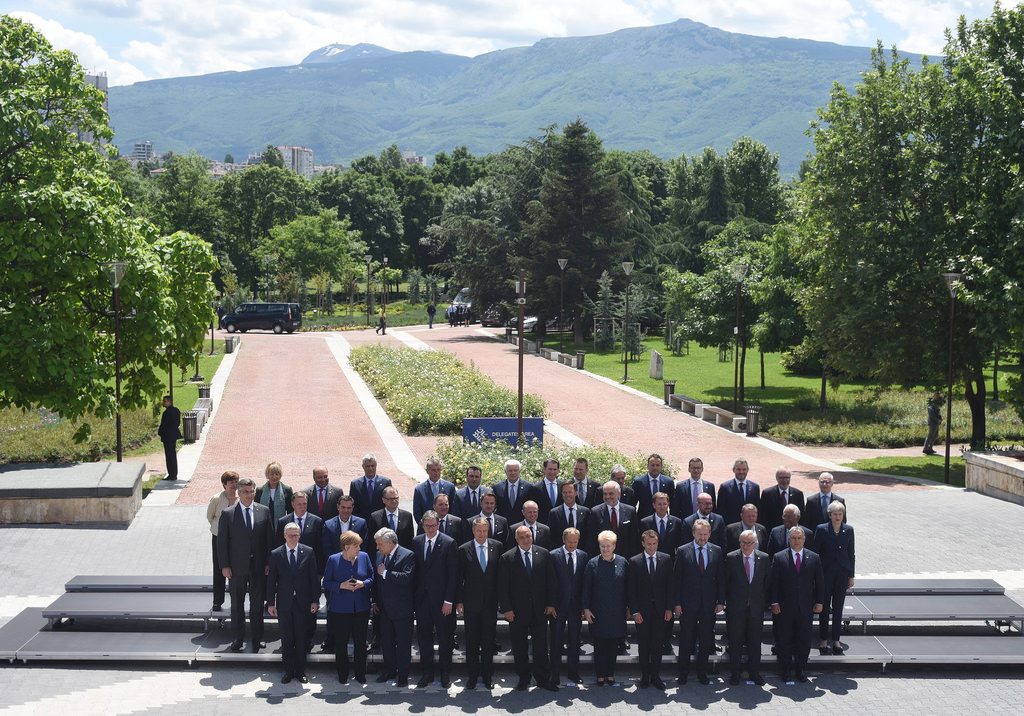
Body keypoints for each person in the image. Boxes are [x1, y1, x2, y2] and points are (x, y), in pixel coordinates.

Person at [497, 525, 559, 692]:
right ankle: (523, 678)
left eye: (528, 536)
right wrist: (507, 609)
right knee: (520, 647)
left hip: (540, 610)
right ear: (516, 539)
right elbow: (503, 587)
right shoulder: (507, 557)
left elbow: (551, 581)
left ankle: (543, 679)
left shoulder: (544, 554)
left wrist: (551, 603)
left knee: (541, 647)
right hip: (517, 612)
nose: (526, 540)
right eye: (522, 537)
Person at [217, 477, 274, 652]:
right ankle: (238, 638)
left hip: (258, 567)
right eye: (245, 492)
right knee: (237, 605)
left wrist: (268, 562)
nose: (249, 495)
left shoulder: (264, 511)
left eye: (252, 491)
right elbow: (222, 542)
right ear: (239, 493)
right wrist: (225, 566)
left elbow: (269, 540)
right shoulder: (228, 514)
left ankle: (257, 638)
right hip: (236, 568)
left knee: (257, 605)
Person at [266, 522, 320, 684]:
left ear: (300, 535)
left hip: (303, 603)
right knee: (287, 638)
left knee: (301, 638)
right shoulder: (276, 554)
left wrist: (315, 600)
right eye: (290, 535)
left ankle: (301, 671)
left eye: (296, 535)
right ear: (284, 536)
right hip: (284, 604)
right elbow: (271, 581)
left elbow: (313, 579)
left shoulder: (308, 552)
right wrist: (270, 603)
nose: (293, 537)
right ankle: (288, 671)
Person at [673, 519, 725, 685]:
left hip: (709, 603)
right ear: (693, 533)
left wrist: (721, 601)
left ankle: (702, 672)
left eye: (705, 534)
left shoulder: (716, 550)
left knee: (705, 638)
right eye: (699, 534)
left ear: (709, 534)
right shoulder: (683, 551)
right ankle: (683, 672)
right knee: (686, 638)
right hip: (687, 603)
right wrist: (677, 603)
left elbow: (720, 578)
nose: (702, 537)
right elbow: (677, 579)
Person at [769, 526, 825, 682]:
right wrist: (774, 602)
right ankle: (785, 670)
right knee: (784, 639)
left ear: (804, 539)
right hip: (784, 608)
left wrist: (819, 602)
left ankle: (800, 669)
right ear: (789, 539)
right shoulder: (779, 557)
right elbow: (774, 583)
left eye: (799, 538)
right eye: (793, 538)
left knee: (804, 640)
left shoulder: (814, 557)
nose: (796, 541)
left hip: (806, 607)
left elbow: (820, 582)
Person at [412, 511, 458, 688]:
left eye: (433, 525)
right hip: (422, 601)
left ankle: (445, 673)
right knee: (424, 638)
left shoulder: (449, 543)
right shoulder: (416, 542)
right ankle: (427, 673)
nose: (430, 529)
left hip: (442, 602)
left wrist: (449, 601)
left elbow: (453, 575)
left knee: (445, 638)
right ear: (422, 525)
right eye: (427, 526)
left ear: (438, 524)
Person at [457, 517, 503, 689]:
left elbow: (501, 575)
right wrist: (459, 601)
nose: (482, 534)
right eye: (479, 531)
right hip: (471, 603)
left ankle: (487, 676)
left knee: (488, 640)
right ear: (473, 531)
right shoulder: (464, 549)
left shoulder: (497, 546)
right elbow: (459, 578)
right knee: (472, 640)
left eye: (485, 530)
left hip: (490, 603)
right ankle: (473, 676)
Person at [323, 530, 374, 683]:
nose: (359, 548)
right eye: (356, 546)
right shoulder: (333, 560)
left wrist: (363, 583)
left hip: (361, 608)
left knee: (360, 643)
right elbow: (326, 583)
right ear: (346, 547)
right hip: (340, 609)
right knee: (341, 643)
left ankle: (360, 674)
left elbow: (372, 577)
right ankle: (343, 674)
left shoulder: (364, 557)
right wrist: (341, 585)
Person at [627, 529, 673, 689]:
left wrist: (669, 608)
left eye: (654, 544)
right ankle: (645, 676)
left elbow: (670, 586)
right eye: (648, 544)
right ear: (643, 543)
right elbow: (631, 589)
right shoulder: (634, 561)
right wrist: (635, 611)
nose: (651, 547)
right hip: (642, 611)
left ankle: (656, 676)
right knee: (644, 644)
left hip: (660, 610)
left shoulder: (666, 559)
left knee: (658, 644)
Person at [724, 529, 771, 685]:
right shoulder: (731, 558)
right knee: (735, 642)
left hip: (756, 608)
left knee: (755, 642)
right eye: (743, 542)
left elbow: (767, 582)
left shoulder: (764, 558)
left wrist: (761, 600)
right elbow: (726, 582)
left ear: (755, 543)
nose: (745, 545)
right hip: (736, 608)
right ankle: (735, 674)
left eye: (749, 543)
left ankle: (754, 673)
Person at [321, 494, 367, 653]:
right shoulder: (328, 524)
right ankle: (331, 639)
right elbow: (326, 548)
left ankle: (356, 639)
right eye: (343, 507)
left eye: (349, 508)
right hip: (336, 571)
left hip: (356, 570)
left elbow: (363, 546)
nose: (346, 510)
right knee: (333, 608)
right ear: (338, 507)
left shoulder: (361, 523)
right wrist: (341, 562)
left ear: (352, 508)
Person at [583, 530, 629, 687]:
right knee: (600, 644)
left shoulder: (623, 562)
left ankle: (610, 673)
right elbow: (586, 588)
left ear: (614, 546)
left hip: (617, 610)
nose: (605, 549)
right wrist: (586, 609)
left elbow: (628, 587)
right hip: (598, 611)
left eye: (608, 546)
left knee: (613, 644)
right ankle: (600, 675)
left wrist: (629, 607)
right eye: (602, 546)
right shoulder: (592, 564)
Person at [373, 527, 415, 687]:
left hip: (402, 608)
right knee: (387, 642)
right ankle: (389, 670)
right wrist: (375, 601)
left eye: (380, 544)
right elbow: (377, 581)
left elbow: (407, 578)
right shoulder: (379, 555)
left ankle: (403, 675)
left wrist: (386, 573)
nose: (377, 547)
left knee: (403, 643)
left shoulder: (407, 555)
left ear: (390, 542)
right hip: (384, 608)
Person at [814, 502, 855, 654]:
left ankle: (836, 640)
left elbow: (851, 554)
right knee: (824, 607)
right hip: (825, 574)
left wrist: (851, 575)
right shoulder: (821, 529)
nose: (838, 517)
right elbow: (816, 553)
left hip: (842, 575)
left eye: (840, 514)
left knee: (838, 608)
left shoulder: (849, 530)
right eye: (835, 514)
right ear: (830, 515)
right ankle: (824, 639)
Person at [549, 526, 588, 686]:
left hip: (575, 606)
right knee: (556, 640)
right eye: (570, 542)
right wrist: (551, 604)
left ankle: (573, 672)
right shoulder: (553, 555)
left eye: (575, 542)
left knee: (575, 640)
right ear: (563, 540)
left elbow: (584, 582)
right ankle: (555, 674)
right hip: (558, 606)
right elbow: (550, 582)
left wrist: (584, 606)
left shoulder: (583, 555)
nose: (572, 545)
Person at [206, 471, 239, 611]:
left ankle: (235, 601)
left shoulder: (241, 498)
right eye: (231, 482)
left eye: (236, 482)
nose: (234, 485)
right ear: (224, 484)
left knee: (235, 569)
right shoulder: (217, 499)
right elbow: (210, 516)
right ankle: (217, 601)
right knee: (219, 568)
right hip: (218, 538)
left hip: (235, 539)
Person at [590, 480, 637, 559]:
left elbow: (634, 538)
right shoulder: (595, 512)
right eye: (605, 494)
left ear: (619, 493)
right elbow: (592, 539)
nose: (607, 496)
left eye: (611, 493)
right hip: (603, 557)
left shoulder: (630, 511)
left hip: (625, 557)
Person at [368, 486, 415, 562]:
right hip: (383, 559)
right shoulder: (375, 517)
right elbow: (371, 543)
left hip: (402, 559)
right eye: (390, 499)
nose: (394, 501)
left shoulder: (407, 516)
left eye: (396, 498)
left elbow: (410, 540)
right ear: (383, 500)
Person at [549, 481, 592, 552]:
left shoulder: (585, 511)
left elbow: (589, 535)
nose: (567, 495)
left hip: (581, 553)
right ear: (562, 494)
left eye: (570, 492)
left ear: (576, 493)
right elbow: (551, 537)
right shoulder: (554, 513)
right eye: (565, 492)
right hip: (561, 554)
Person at [758, 467, 805, 532]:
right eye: (782, 478)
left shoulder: (798, 494)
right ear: (776, 478)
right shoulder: (767, 494)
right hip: (773, 532)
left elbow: (802, 517)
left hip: (793, 532)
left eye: (787, 478)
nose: (785, 480)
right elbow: (762, 516)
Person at [716, 458, 761, 526]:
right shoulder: (725, 487)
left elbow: (758, 509)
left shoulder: (755, 487)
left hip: (750, 526)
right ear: (733, 470)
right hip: (731, 527)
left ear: (748, 470)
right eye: (738, 469)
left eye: (744, 469)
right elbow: (720, 510)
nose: (741, 472)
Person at [349, 454, 393, 522]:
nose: (370, 469)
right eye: (367, 466)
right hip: (362, 522)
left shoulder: (386, 482)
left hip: (380, 521)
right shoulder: (355, 484)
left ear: (376, 465)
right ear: (363, 466)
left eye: (372, 466)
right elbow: (353, 506)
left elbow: (389, 503)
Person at [413, 457, 456, 525]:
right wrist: (426, 526)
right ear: (427, 471)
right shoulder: (419, 490)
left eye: (438, 470)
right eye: (433, 470)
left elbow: (453, 509)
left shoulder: (450, 487)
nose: (436, 473)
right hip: (427, 528)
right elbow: (417, 513)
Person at [632, 453, 674, 520]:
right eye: (652, 465)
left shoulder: (668, 482)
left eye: (657, 465)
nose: (655, 468)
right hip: (643, 520)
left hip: (663, 519)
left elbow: (673, 504)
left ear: (661, 467)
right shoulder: (639, 482)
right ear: (648, 466)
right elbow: (633, 503)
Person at [492, 459, 531, 523]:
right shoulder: (497, 488)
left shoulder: (529, 487)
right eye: (510, 470)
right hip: (503, 524)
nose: (513, 473)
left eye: (515, 470)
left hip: (522, 525)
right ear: (505, 471)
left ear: (519, 471)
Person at [158, 395, 182, 481]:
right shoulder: (176, 410)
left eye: (165, 401)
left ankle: (171, 474)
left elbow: (164, 425)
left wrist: (160, 432)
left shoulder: (167, 413)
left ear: (169, 401)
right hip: (173, 435)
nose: (163, 403)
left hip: (167, 436)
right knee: (172, 455)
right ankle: (173, 474)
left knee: (169, 456)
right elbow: (177, 423)